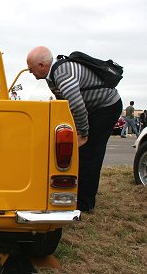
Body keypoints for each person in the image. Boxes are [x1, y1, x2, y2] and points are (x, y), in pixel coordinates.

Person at [26, 46, 122, 213]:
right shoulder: (52, 76)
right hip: (92, 108)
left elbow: (76, 104)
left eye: (31, 68)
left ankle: (85, 204)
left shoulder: (62, 73)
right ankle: (79, 195)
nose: (30, 72)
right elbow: (64, 105)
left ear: (41, 65)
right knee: (81, 153)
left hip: (106, 106)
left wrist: (83, 133)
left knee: (91, 153)